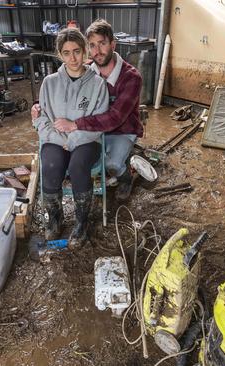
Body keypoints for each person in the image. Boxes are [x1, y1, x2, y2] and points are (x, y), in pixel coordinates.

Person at [33, 19, 143, 202]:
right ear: (88, 49)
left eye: (103, 44)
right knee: (76, 160)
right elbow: (63, 89)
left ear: (113, 44)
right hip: (92, 130)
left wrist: (75, 125)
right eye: (92, 45)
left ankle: (125, 177)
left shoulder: (131, 77)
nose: (98, 51)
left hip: (121, 129)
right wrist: (38, 105)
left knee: (111, 163)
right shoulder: (89, 70)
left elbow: (114, 118)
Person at [33, 28, 109, 249]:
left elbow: (100, 122)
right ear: (60, 55)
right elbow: (42, 119)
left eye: (77, 51)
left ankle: (81, 224)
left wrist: (73, 140)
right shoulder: (49, 82)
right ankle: (55, 218)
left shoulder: (98, 84)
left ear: (85, 51)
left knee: (77, 166)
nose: (73, 58)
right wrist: (60, 140)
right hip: (56, 139)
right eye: (66, 53)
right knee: (50, 164)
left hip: (87, 141)